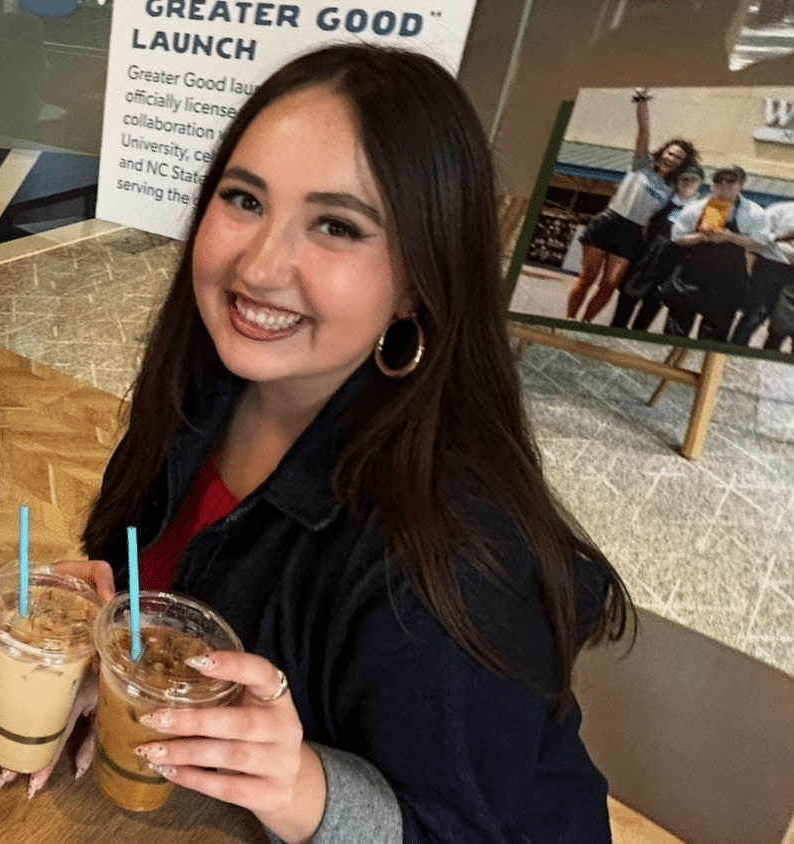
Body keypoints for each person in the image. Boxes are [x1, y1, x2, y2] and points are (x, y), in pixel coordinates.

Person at [80, 45, 631, 844]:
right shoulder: (200, 395)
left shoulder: (457, 552)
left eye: (336, 225)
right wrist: (103, 628)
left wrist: (305, 786)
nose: (261, 264)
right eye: (243, 200)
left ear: (420, 277)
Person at [565, 88, 697, 324]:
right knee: (587, 278)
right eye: (670, 153)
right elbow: (644, 132)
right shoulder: (642, 165)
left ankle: (585, 323)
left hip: (632, 234)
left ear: (682, 165)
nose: (672, 158)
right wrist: (642, 102)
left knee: (610, 284)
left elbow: (688, 200)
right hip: (608, 222)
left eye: (678, 158)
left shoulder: (673, 189)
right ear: (662, 152)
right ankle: (568, 319)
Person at [665, 165, 768, 341]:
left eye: (730, 184)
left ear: (740, 186)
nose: (724, 188)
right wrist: (701, 237)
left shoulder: (754, 212)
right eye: (719, 183)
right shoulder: (695, 207)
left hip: (727, 281)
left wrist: (730, 237)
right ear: (712, 186)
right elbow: (677, 237)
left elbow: (760, 245)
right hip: (692, 276)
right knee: (676, 328)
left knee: (714, 334)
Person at [609, 163, 703, 331]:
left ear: (700, 183)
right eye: (684, 179)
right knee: (624, 306)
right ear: (677, 181)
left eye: (693, 180)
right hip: (645, 259)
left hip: (670, 267)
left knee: (648, 312)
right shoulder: (665, 199)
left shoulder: (703, 208)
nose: (688, 183)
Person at [730, 200, 794, 346]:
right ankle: (735, 351)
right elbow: (757, 236)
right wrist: (781, 238)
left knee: (784, 326)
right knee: (754, 314)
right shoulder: (780, 210)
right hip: (770, 266)